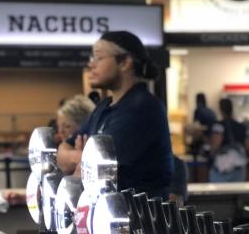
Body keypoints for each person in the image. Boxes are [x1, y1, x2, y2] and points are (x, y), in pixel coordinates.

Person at [56, 30, 173, 198]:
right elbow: (61, 154)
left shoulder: (142, 107)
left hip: (137, 218)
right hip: (107, 214)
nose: (91, 64)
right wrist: (82, 159)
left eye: (99, 57)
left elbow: (103, 165)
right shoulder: (104, 107)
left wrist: (83, 162)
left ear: (125, 62)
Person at [208, 97, 249, 183]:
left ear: (220, 109)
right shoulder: (242, 127)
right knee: (236, 193)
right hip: (239, 167)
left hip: (222, 168)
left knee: (219, 194)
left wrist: (211, 153)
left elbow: (216, 143)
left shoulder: (218, 126)